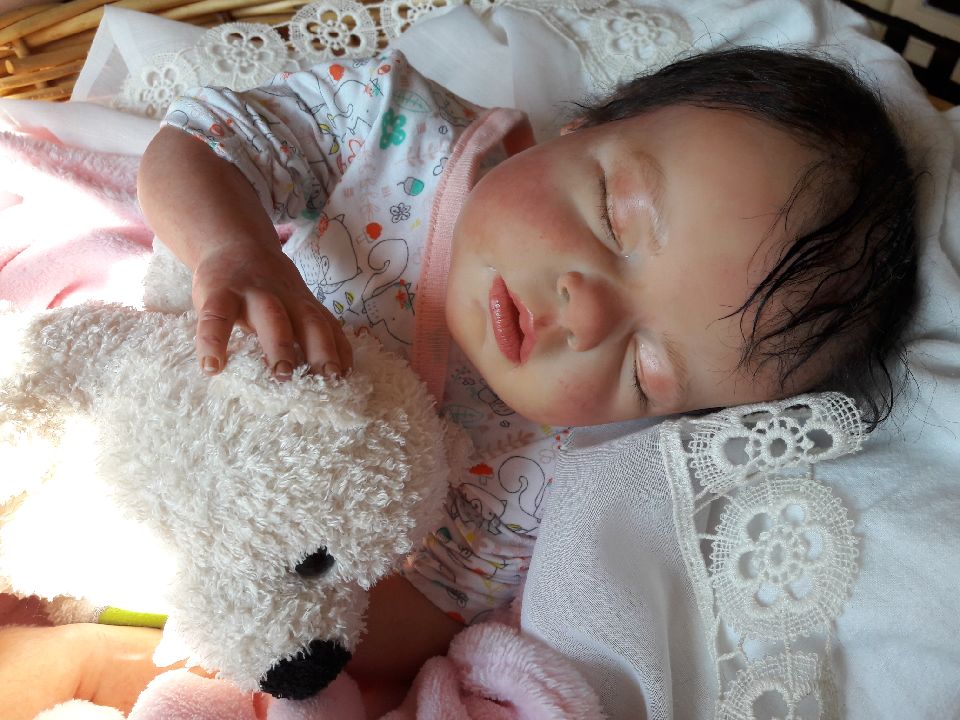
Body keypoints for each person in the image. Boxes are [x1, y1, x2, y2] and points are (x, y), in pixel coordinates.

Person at [0, 45, 917, 718]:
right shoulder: (393, 131)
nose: (584, 312)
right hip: (138, 377)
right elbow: (198, 144)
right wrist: (230, 247)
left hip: (199, 569)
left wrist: (280, 592)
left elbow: (424, 610)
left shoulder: (544, 465)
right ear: (588, 125)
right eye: (612, 216)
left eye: (646, 368)